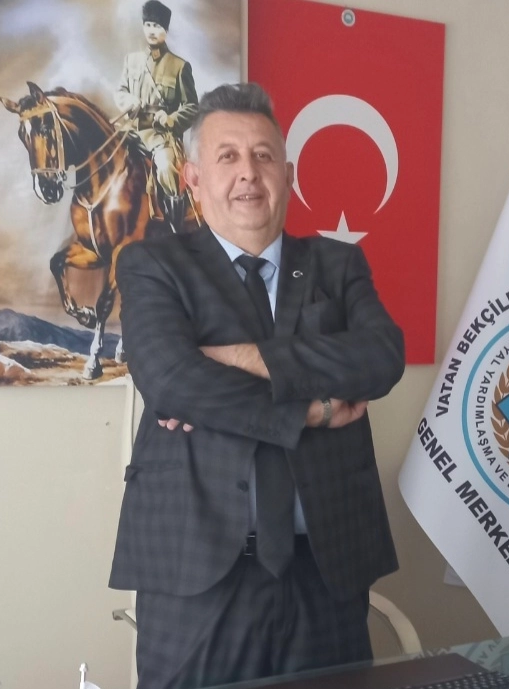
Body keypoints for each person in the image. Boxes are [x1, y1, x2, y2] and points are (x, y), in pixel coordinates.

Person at [109, 82, 405, 689]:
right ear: (193, 179)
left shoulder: (336, 265)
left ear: (288, 175)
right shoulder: (153, 265)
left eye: (264, 156)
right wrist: (309, 411)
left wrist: (241, 359)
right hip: (196, 571)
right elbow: (170, 378)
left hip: (325, 567)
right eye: (228, 157)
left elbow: (380, 359)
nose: (249, 172)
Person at [114, 0, 198, 231]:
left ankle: (175, 230)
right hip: (132, 129)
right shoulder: (132, 61)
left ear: (165, 30)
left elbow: (192, 107)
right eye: (148, 25)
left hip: (161, 135)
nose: (152, 30)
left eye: (157, 26)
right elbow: (120, 91)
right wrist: (130, 101)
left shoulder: (179, 66)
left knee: (166, 167)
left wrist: (170, 119)